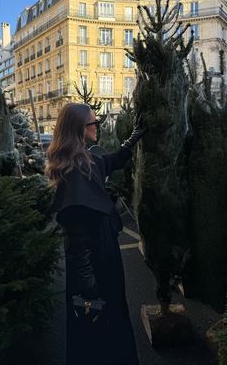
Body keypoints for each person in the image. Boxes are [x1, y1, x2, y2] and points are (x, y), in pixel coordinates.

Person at [46, 103, 145, 365]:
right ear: (79, 129)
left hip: (99, 257)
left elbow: (112, 160)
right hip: (95, 266)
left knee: (103, 327)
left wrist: (134, 137)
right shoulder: (78, 170)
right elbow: (77, 239)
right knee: (101, 328)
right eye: (93, 123)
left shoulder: (84, 160)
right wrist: (89, 287)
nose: (97, 127)